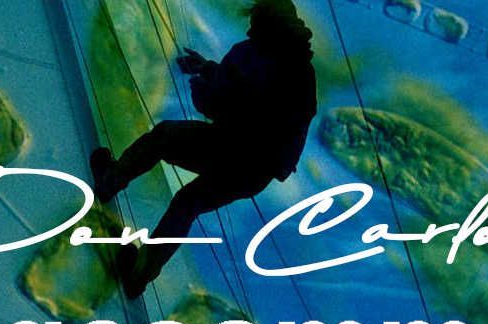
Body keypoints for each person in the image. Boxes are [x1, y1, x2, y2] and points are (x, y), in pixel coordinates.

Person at [89, 0, 317, 298]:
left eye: (255, 22)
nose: (249, 28)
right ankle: (140, 274)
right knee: (188, 202)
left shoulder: (262, 58)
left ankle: (109, 181)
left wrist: (207, 97)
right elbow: (251, 95)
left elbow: (240, 107)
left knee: (163, 138)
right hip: (256, 171)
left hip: (233, 150)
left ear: (268, 25)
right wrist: (207, 68)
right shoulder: (299, 70)